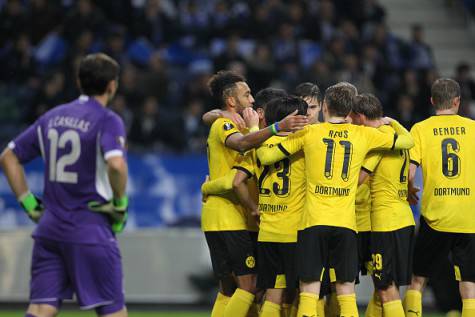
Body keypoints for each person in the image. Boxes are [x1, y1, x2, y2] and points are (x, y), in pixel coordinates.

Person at [256, 84, 414, 317]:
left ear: (325, 106)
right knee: (346, 290)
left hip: (313, 223)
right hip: (346, 225)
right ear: (349, 109)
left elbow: (265, 155)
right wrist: (391, 123)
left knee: (309, 290)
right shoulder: (365, 134)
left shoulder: (310, 133)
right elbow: (407, 142)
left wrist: (275, 128)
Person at [0, 53, 128, 317]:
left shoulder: (52, 117)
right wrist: (119, 203)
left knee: (41, 308)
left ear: (79, 82)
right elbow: (116, 165)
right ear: (112, 85)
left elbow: (8, 157)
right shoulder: (107, 119)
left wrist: (27, 202)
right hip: (90, 230)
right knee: (113, 311)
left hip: (49, 230)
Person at [202, 71, 307, 317]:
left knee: (231, 290)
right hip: (231, 216)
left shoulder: (231, 123)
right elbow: (241, 146)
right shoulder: (229, 126)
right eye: (246, 94)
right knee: (250, 286)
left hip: (228, 215)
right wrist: (278, 126)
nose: (251, 100)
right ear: (231, 101)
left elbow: (215, 119)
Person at [404, 78, 475, 317]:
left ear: (432, 101)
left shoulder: (420, 129)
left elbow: (410, 173)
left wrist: (410, 190)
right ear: (457, 101)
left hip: (436, 215)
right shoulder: (473, 129)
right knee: (468, 281)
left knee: (418, 278)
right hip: (468, 216)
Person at [353, 94, 415, 317]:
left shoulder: (377, 141)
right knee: (390, 289)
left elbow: (359, 179)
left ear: (360, 116)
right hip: (404, 219)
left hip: (384, 222)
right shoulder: (396, 135)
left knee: (385, 289)